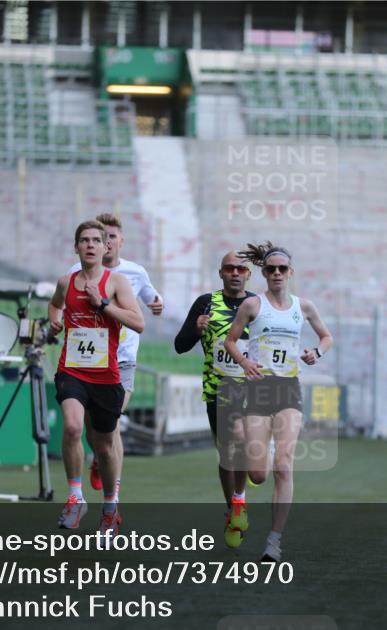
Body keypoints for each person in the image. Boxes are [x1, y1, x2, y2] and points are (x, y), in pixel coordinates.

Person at [224, 242, 333, 562]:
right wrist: (245, 363)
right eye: (270, 269)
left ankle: (274, 541)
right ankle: (240, 494)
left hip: (288, 389)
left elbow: (326, 337)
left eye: (281, 269)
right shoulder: (252, 306)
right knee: (258, 474)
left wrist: (317, 353)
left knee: (284, 466)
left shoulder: (304, 306)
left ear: (290, 273)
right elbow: (231, 341)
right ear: (264, 273)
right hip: (258, 391)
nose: (276, 274)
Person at [50, 220, 145, 534]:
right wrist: (54, 322)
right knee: (73, 426)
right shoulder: (66, 282)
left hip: (105, 375)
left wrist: (102, 303)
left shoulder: (117, 283)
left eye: (96, 240)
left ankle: (109, 508)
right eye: (84, 240)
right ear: (76, 247)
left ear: (107, 247)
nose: (90, 245)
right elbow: (54, 305)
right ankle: (75, 498)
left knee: (104, 447)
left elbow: (138, 322)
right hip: (72, 370)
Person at [69, 213, 163, 499]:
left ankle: (114, 490)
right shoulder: (76, 271)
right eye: (100, 237)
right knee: (90, 427)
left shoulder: (135, 273)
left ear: (121, 240)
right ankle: (99, 457)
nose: (105, 242)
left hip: (122, 359)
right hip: (88, 360)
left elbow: (151, 299)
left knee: (112, 423)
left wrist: (156, 305)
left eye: (110, 236)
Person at [174, 251, 255, 547]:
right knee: (228, 454)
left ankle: (239, 500)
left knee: (249, 459)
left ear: (248, 274)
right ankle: (235, 507)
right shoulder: (206, 303)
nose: (235, 272)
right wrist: (196, 330)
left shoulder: (258, 305)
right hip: (218, 389)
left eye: (241, 269)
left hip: (253, 389)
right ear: (221, 273)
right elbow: (179, 345)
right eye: (229, 268)